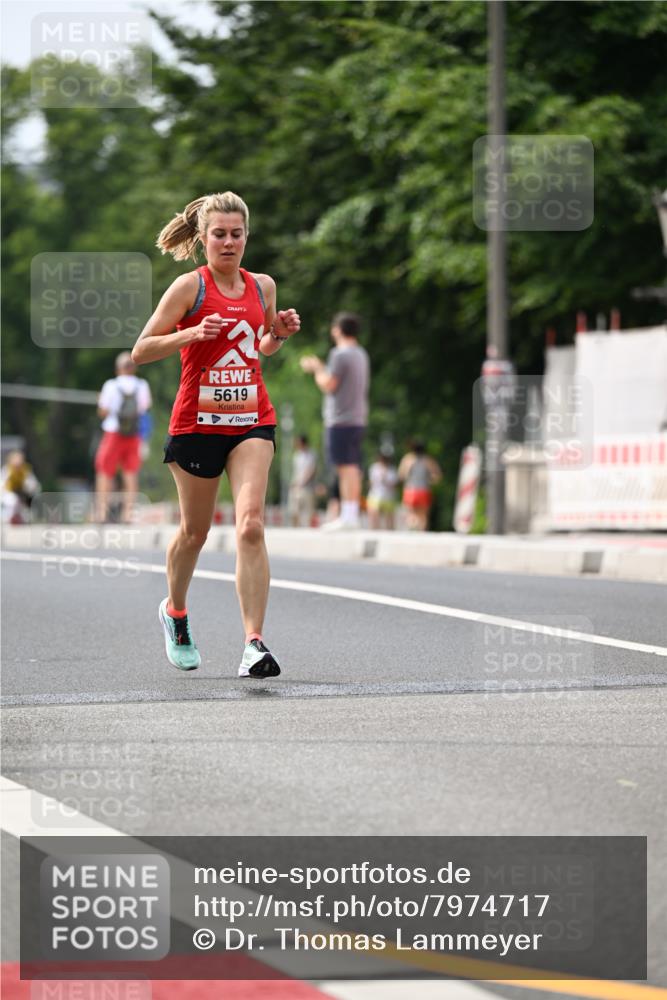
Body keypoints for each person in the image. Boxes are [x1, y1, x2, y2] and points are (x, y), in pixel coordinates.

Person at [131, 191, 300, 677]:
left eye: (237, 234)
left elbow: (262, 346)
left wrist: (281, 331)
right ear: (203, 238)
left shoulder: (262, 285)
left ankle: (253, 645)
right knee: (195, 533)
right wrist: (190, 334)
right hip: (197, 424)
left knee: (250, 524)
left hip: (251, 420)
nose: (228, 243)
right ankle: (176, 612)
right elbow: (141, 349)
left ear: (247, 236)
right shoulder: (189, 288)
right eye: (219, 235)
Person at [300, 313, 369, 530]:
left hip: (340, 419)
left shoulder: (339, 355)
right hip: (358, 417)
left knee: (344, 467)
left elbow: (329, 384)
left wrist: (317, 368)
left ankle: (348, 516)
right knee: (352, 466)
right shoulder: (361, 353)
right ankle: (351, 513)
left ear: (338, 330)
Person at [94, 352, 152, 523]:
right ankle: (129, 514)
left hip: (113, 432)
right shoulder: (142, 385)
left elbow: (103, 412)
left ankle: (102, 513)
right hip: (133, 434)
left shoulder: (111, 385)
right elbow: (145, 408)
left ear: (118, 368)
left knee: (104, 471)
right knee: (131, 473)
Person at [398, 440, 442, 531]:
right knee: (423, 515)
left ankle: (412, 528)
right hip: (424, 490)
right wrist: (429, 480)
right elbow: (437, 477)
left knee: (411, 513)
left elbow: (401, 475)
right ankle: (421, 533)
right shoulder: (428, 460)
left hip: (410, 490)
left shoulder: (407, 459)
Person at [1, 450, 40, 524]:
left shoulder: (25, 470)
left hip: (21, 493)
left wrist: (31, 488)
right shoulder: (7, 470)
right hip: (8, 493)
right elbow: (2, 483)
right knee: (12, 501)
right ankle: (9, 518)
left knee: (28, 500)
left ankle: (23, 517)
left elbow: (33, 484)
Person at [287, 434, 317, 527]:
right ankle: (295, 528)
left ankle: (307, 529)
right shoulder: (296, 455)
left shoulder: (311, 455)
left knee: (307, 511)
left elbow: (311, 470)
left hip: (307, 486)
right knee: (294, 509)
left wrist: (303, 482)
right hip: (296, 485)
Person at [366, 449, 398, 530]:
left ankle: (390, 534)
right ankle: (374, 532)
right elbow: (371, 482)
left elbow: (394, 484)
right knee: (374, 516)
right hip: (375, 494)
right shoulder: (374, 467)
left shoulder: (392, 469)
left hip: (388, 496)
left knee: (389, 517)